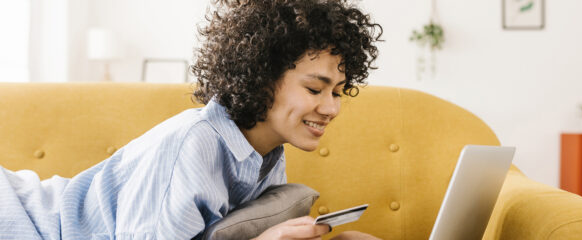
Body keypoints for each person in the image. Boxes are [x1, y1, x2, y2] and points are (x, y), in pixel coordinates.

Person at [0, 0, 382, 239]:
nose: (331, 108)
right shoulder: (194, 145)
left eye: (338, 91)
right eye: (316, 89)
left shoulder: (264, 156)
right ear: (262, 76)